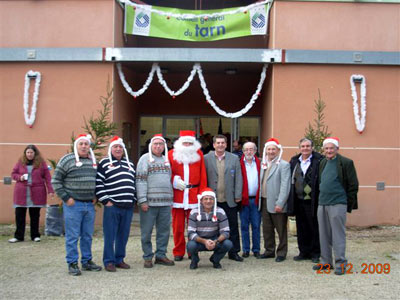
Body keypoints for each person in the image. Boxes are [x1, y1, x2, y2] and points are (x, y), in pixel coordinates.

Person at [52, 134, 102, 276]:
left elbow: (96, 180)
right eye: (81, 144)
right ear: (76, 145)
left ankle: (86, 261)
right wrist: (66, 198)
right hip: (73, 205)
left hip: (89, 205)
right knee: (73, 236)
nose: (84, 146)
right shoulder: (67, 160)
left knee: (87, 235)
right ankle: (72, 263)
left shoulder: (93, 161)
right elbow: (56, 180)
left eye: (86, 144)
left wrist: (95, 196)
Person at [313, 137, 359, 275]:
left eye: (331, 148)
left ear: (337, 149)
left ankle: (340, 263)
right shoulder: (322, 163)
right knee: (323, 234)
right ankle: (326, 262)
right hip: (322, 203)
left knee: (338, 234)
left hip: (338, 203)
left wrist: (346, 202)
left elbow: (353, 185)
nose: (329, 151)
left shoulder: (346, 163)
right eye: (326, 148)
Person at [95, 136, 136, 272]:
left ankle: (119, 259)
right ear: (110, 149)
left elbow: (134, 183)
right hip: (113, 206)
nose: (118, 149)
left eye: (120, 147)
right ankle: (109, 261)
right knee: (110, 235)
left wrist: (133, 198)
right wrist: (106, 200)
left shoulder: (129, 163)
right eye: (115, 147)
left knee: (123, 235)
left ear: (123, 149)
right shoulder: (104, 163)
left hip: (128, 206)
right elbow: (99, 183)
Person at [136, 134, 175, 268]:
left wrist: (171, 199)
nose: (158, 146)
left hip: (165, 203)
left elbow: (169, 179)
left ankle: (161, 255)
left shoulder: (166, 160)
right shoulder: (144, 159)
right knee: (146, 232)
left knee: (164, 231)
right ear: (151, 146)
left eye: (161, 144)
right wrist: (142, 200)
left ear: (164, 146)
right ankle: (147, 256)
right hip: (149, 203)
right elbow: (140, 180)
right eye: (155, 144)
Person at [168, 130, 207, 261]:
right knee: (177, 226)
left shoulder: (199, 154)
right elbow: (167, 173)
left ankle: (192, 250)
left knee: (194, 226)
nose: (186, 145)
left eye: (189, 143)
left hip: (193, 195)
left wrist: (202, 194)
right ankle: (178, 251)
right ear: (180, 142)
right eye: (184, 142)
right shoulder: (171, 154)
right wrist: (174, 180)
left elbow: (203, 175)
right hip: (177, 195)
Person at [204, 134, 243, 262]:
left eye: (223, 143)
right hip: (212, 201)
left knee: (232, 227)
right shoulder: (206, 158)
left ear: (226, 145)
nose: (220, 145)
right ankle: (217, 251)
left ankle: (234, 252)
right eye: (218, 143)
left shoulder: (234, 158)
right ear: (214, 144)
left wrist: (238, 195)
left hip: (229, 199)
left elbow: (238, 178)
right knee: (213, 228)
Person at [9, 145, 54, 243]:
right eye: (28, 152)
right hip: (21, 193)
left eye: (31, 152)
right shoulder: (20, 163)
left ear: (35, 153)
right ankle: (18, 236)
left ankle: (35, 235)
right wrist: (20, 177)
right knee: (19, 215)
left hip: (36, 192)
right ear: (25, 153)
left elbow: (47, 178)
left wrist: (50, 190)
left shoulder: (41, 164)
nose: (29, 154)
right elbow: (13, 174)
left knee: (34, 215)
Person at [288, 138, 322, 263]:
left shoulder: (319, 160)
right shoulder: (294, 161)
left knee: (314, 227)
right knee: (301, 227)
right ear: (300, 147)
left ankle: (315, 253)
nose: (305, 148)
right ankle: (303, 252)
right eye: (303, 146)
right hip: (298, 200)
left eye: (308, 146)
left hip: (313, 201)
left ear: (312, 147)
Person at [258, 138, 290, 262]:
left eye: (273, 149)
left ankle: (281, 252)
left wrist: (280, 203)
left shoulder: (284, 165)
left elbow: (285, 185)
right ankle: (269, 250)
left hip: (277, 202)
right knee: (267, 229)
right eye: (269, 149)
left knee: (281, 229)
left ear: (278, 150)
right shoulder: (264, 164)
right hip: (264, 200)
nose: (271, 152)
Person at [187, 188, 233, 269]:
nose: (208, 201)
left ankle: (215, 259)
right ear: (201, 201)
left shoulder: (220, 211)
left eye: (211, 199)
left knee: (228, 244)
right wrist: (204, 241)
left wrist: (216, 241)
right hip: (200, 241)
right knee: (190, 245)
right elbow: (190, 233)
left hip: (214, 240)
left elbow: (226, 232)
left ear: (214, 200)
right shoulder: (194, 212)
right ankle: (195, 260)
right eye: (206, 199)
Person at [239, 142, 261, 258]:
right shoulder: (239, 164)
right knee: (244, 226)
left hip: (256, 200)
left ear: (255, 151)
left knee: (256, 225)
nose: (249, 152)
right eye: (246, 149)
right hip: (244, 200)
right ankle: (246, 249)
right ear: (243, 151)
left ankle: (256, 249)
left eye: (251, 149)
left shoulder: (261, 163)